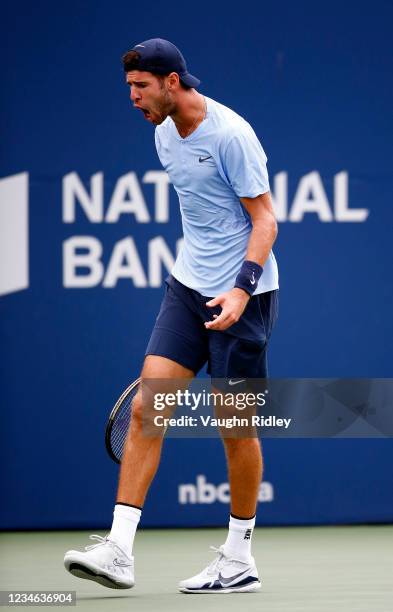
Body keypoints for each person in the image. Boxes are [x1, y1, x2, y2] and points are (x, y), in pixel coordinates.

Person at [64, 38, 279, 594]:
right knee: (146, 409)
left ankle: (238, 558)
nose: (133, 98)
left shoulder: (231, 135)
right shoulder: (163, 133)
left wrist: (238, 290)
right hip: (186, 289)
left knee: (236, 429)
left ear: (172, 82)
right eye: (130, 88)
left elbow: (266, 223)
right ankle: (118, 549)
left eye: (141, 87)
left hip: (243, 298)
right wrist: (202, 277)